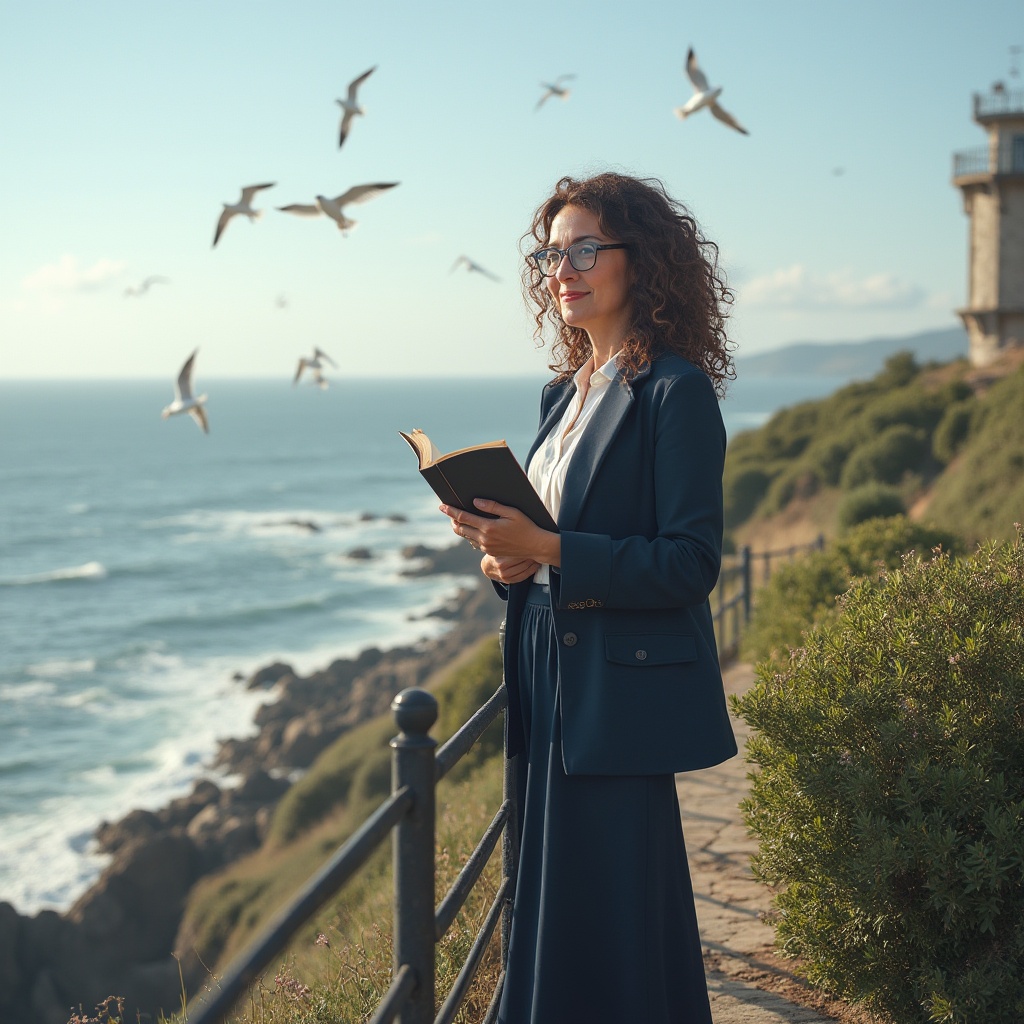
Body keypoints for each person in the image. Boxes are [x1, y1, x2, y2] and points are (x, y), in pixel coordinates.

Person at [439, 172, 737, 1024]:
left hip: (619, 686)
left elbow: (689, 562)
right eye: (549, 254)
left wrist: (550, 549)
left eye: (583, 249)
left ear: (639, 262)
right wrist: (507, 562)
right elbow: (543, 546)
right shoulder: (560, 394)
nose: (560, 268)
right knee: (551, 890)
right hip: (543, 670)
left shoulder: (675, 393)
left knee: (615, 900)